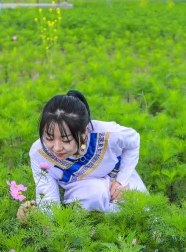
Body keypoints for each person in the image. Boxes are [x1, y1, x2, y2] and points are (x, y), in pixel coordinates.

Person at [17, 90, 148, 221]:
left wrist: (122, 181)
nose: (56, 147)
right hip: (84, 191)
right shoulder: (39, 153)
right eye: (49, 138)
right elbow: (48, 195)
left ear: (84, 132)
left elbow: (133, 141)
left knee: (141, 213)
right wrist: (40, 218)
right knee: (94, 195)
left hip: (115, 179)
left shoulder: (108, 134)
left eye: (66, 140)